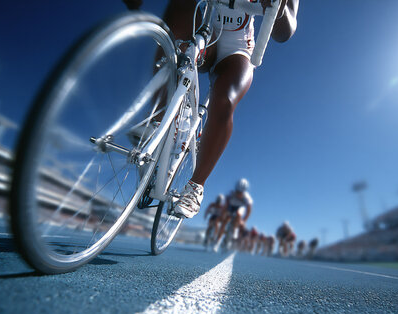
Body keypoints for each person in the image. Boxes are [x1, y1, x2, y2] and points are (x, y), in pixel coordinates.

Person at [123, 0, 299, 219]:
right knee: (179, 17)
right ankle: (159, 119)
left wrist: (278, 9)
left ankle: (196, 185)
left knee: (224, 100)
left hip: (237, 48)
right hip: (205, 24)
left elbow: (285, 31)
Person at [214, 178, 253, 251]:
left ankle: (234, 230)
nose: (238, 194)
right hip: (231, 207)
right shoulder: (230, 194)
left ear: (244, 192)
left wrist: (243, 221)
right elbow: (225, 207)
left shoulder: (247, 198)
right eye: (238, 192)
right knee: (225, 221)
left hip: (240, 207)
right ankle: (217, 242)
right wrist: (223, 215)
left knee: (238, 213)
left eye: (240, 193)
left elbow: (248, 211)